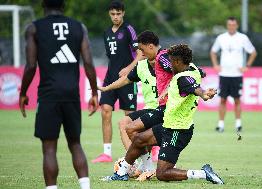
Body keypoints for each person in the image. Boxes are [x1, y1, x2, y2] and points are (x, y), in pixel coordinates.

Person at [103, 44, 224, 184]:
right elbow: (196, 78)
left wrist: (203, 93)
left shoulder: (183, 79)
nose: (168, 64)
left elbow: (194, 87)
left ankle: (203, 173)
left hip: (177, 132)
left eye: (171, 61)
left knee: (162, 173)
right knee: (139, 140)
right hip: (168, 125)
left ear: (178, 62)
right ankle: (121, 173)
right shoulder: (193, 69)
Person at [19, 1, 98, 189]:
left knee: (49, 148)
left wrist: (23, 93)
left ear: (43, 5)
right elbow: (88, 63)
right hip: (72, 94)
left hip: (48, 95)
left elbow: (30, 66)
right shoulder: (80, 27)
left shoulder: (34, 28)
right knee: (75, 143)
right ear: (63, 6)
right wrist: (94, 92)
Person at [92, 0, 143, 163]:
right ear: (109, 14)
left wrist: (128, 69)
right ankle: (106, 153)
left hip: (128, 80)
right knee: (105, 110)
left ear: (123, 13)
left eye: (118, 14)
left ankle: (140, 150)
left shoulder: (128, 29)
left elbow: (140, 54)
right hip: (110, 77)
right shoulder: (107, 32)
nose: (115, 17)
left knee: (130, 119)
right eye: (113, 14)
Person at [98, 58, 158, 151]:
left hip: (165, 110)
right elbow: (126, 79)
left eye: (141, 50)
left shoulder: (167, 63)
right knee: (124, 123)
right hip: (149, 109)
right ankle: (132, 161)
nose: (141, 53)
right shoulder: (141, 65)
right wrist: (106, 88)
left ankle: (151, 151)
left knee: (140, 129)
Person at [210, 16, 257, 133]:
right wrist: (215, 65)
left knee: (237, 100)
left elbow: (253, 52)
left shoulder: (242, 38)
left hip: (237, 75)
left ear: (237, 26)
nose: (231, 27)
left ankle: (238, 124)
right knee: (222, 100)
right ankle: (220, 125)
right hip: (224, 74)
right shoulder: (221, 38)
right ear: (227, 26)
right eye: (229, 25)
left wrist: (247, 66)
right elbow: (213, 52)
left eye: (233, 25)